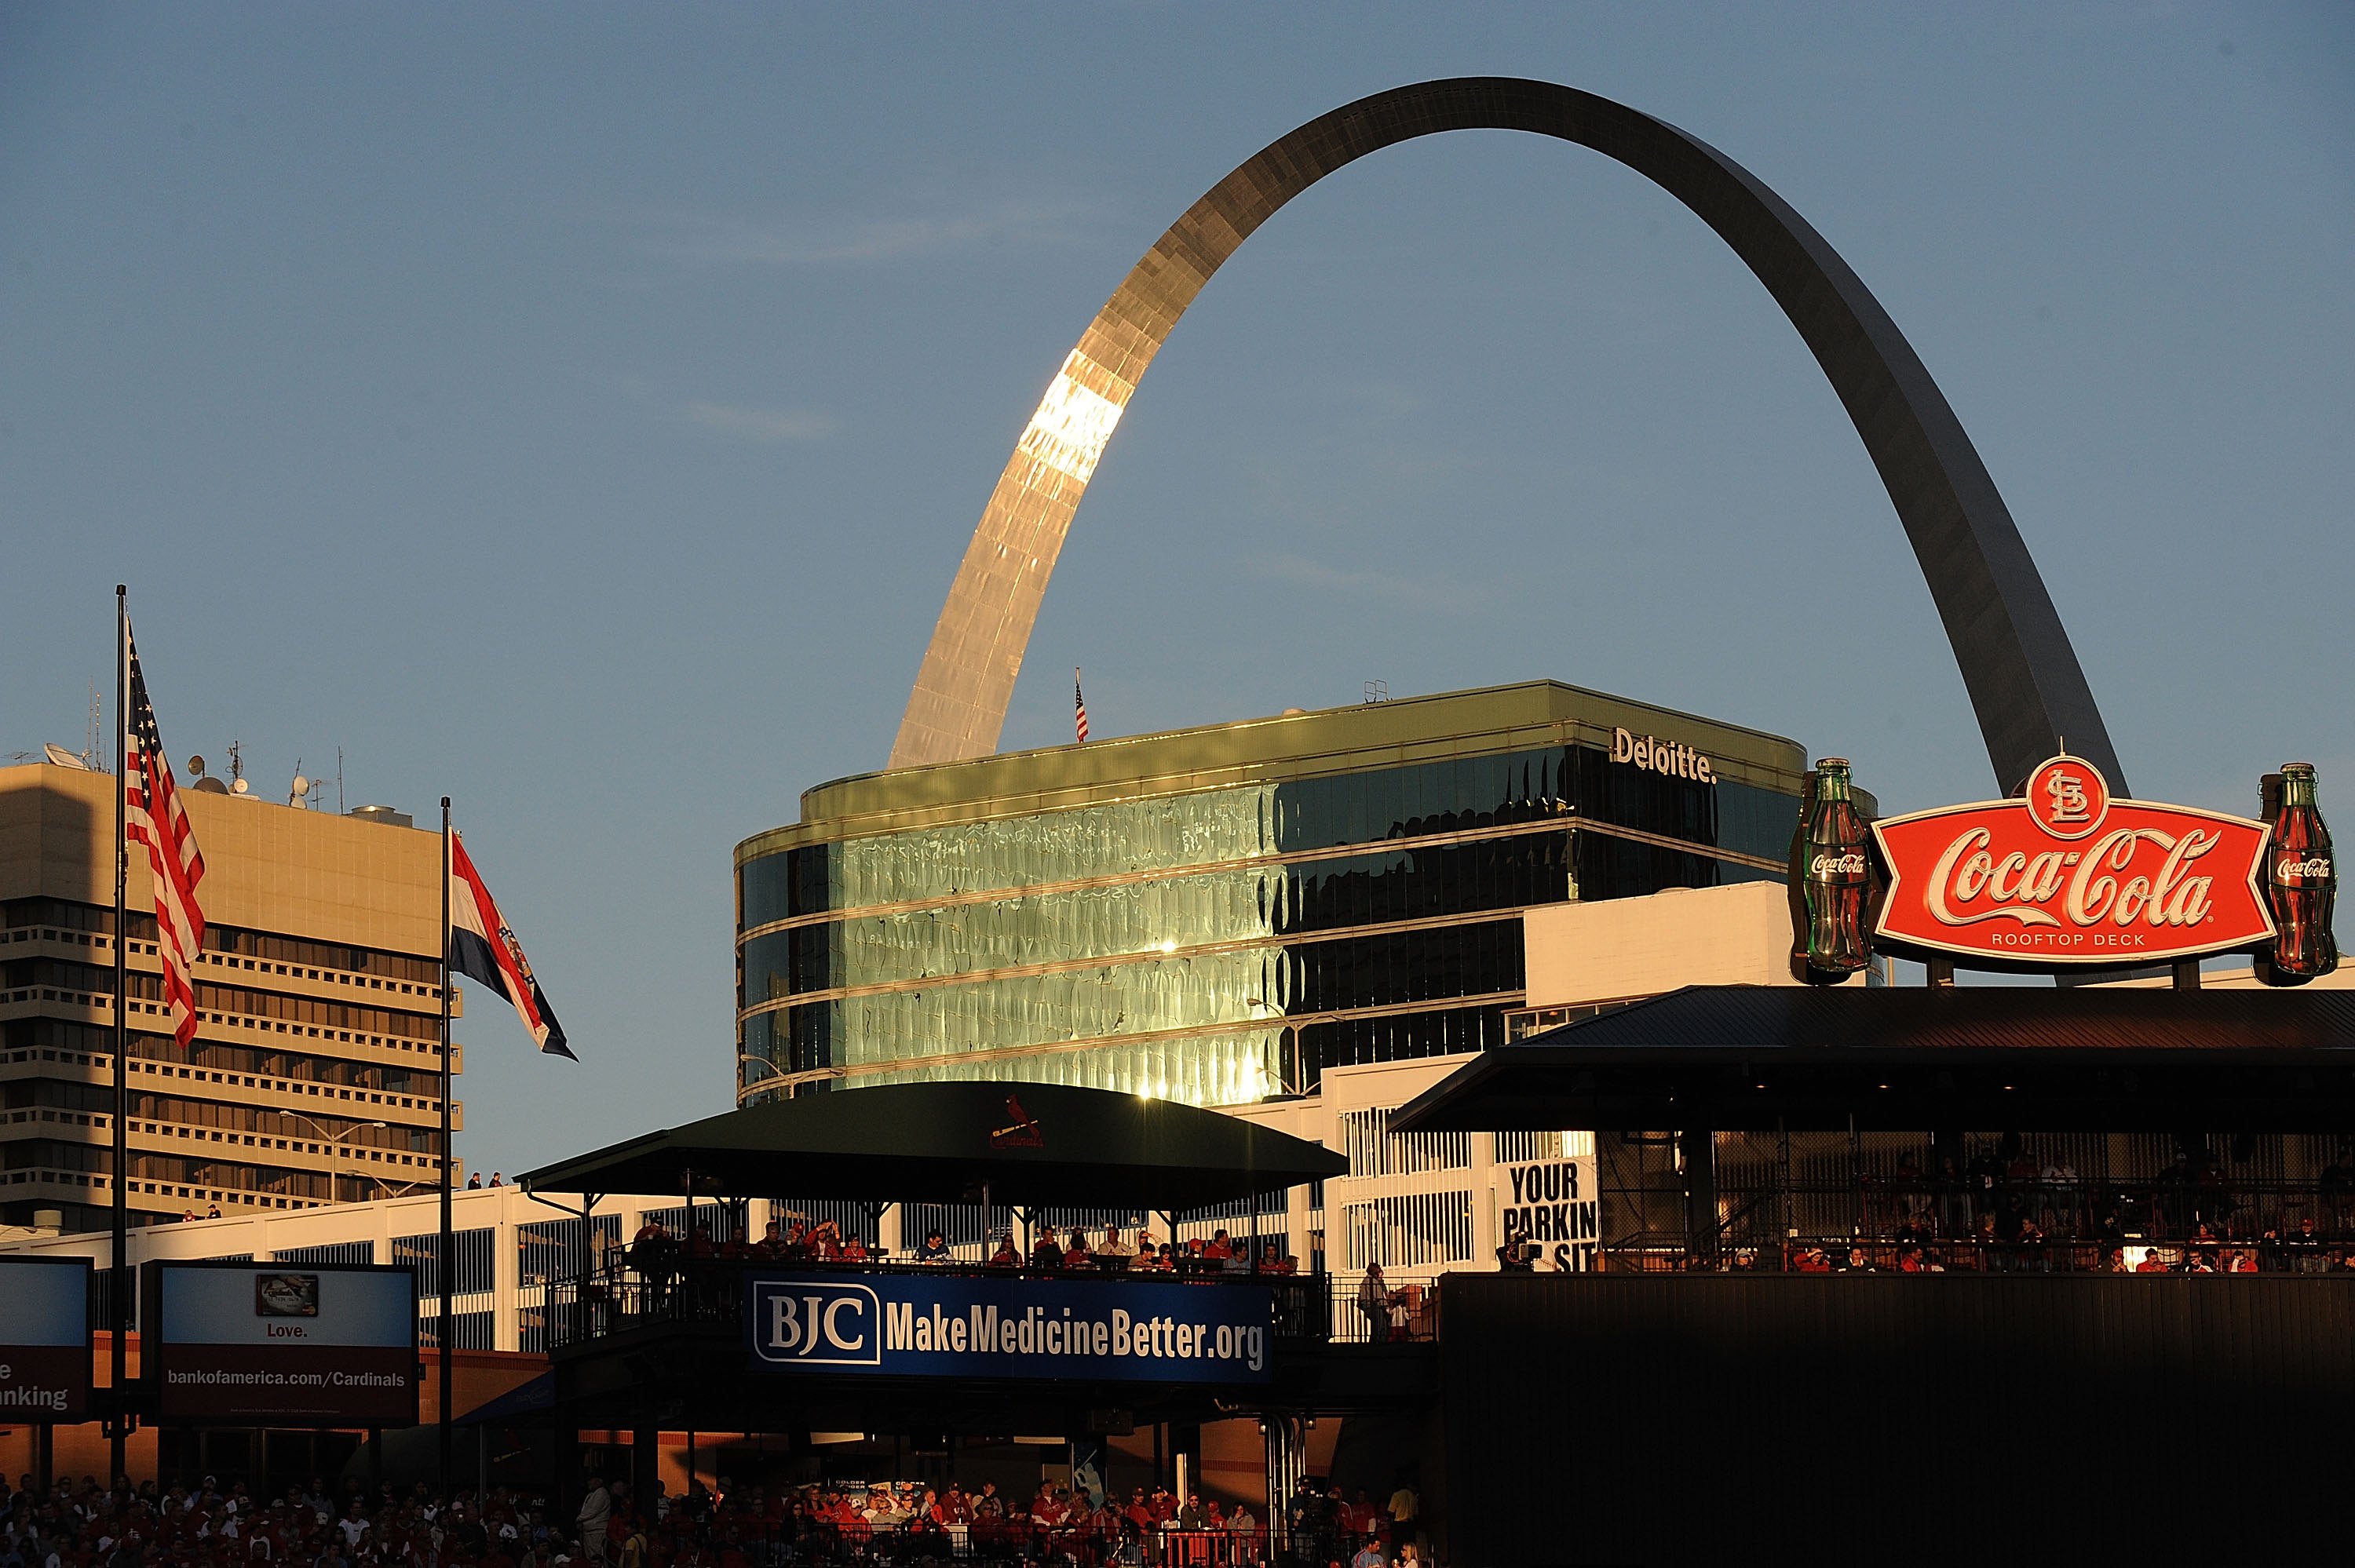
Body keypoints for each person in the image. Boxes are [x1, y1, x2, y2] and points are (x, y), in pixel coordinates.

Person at [575, 1479, 611, 1566]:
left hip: (597, 1531)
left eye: (591, 1480)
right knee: (590, 1559)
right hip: (588, 1531)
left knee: (597, 1558)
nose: (588, 1482)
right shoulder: (591, 1494)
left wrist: (579, 1519)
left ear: (599, 1481)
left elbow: (592, 1511)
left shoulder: (601, 1492)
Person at [1358, 1264, 1392, 1342]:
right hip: (1373, 1305)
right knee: (1380, 1325)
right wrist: (1386, 1307)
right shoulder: (1373, 1281)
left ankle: (1376, 1341)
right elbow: (1378, 1296)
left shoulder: (1366, 1280)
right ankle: (1378, 1341)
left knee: (1377, 1325)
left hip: (1368, 1305)